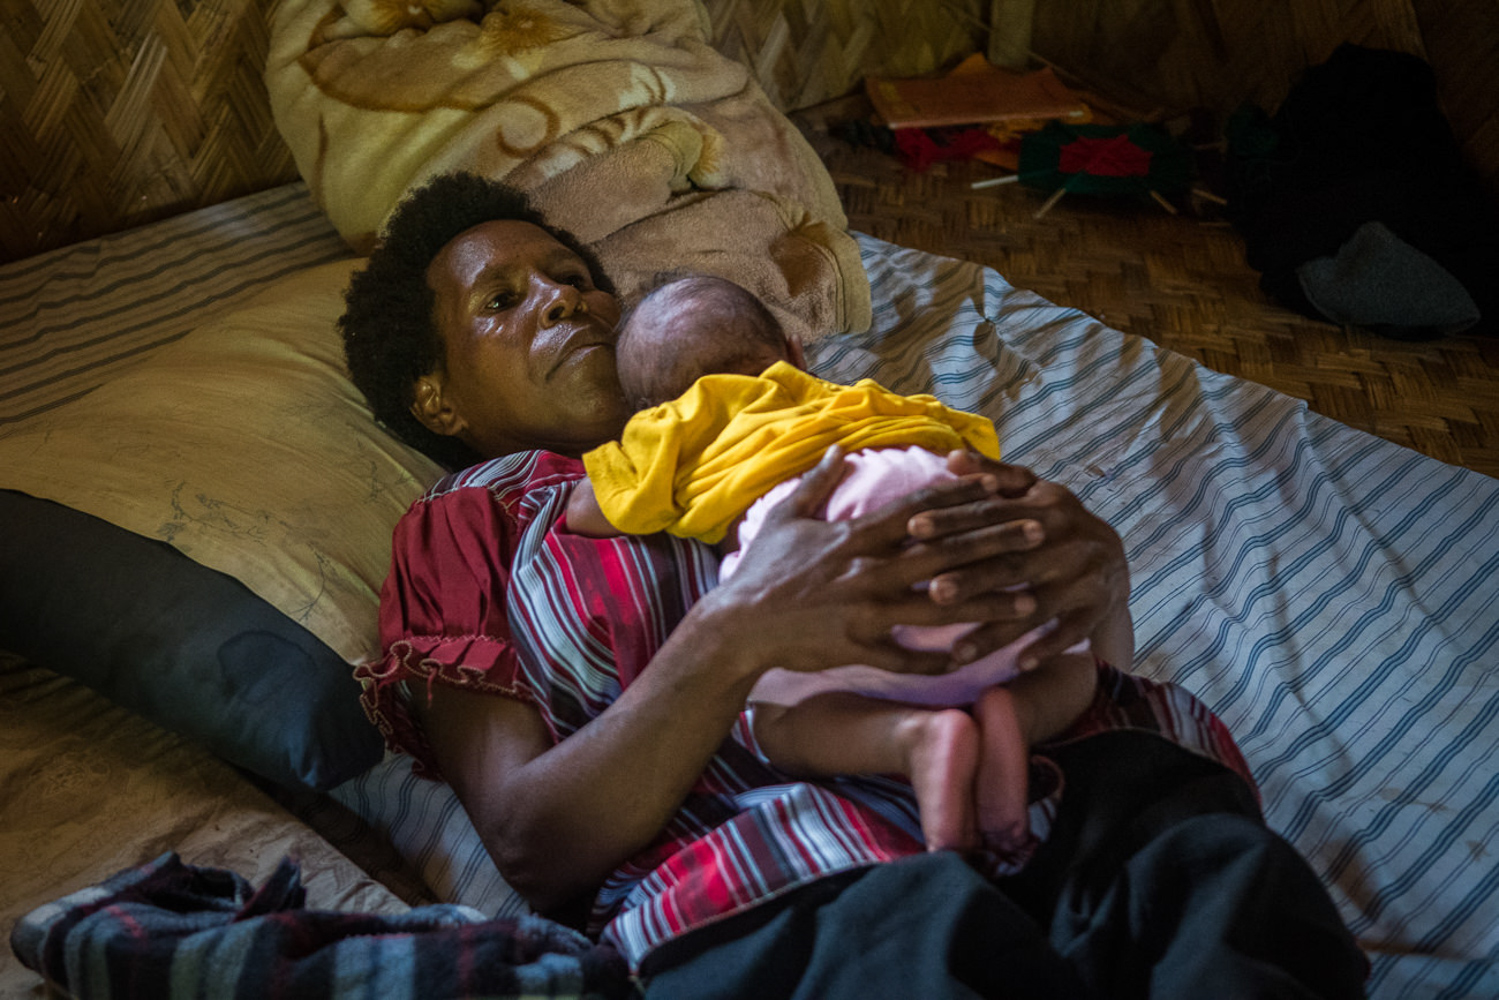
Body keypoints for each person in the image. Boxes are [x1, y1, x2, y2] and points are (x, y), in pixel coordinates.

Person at [339, 171, 1368, 998]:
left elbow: (1045, 635)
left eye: (573, 276)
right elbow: (532, 839)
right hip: (796, 877)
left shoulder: (809, 412)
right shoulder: (468, 523)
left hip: (1076, 783)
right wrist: (737, 626)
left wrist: (1092, 576)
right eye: (503, 301)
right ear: (435, 396)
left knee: (1239, 917)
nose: (566, 297)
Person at [565, 273, 1101, 854]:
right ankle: (1013, 715)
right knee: (1074, 667)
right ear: (796, 352)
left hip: (824, 545)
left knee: (779, 722)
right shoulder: (859, 396)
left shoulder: (666, 431)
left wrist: (640, 448)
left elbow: (585, 510)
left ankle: (915, 739)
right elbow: (968, 445)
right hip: (944, 515)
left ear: (645, 412)